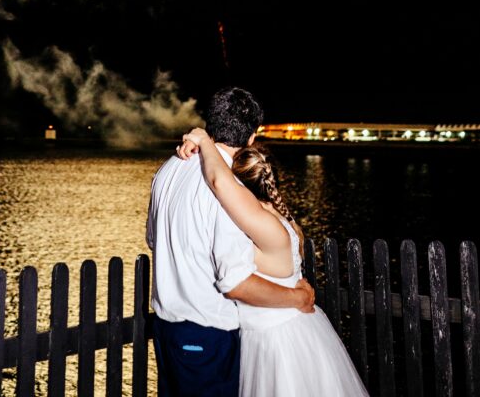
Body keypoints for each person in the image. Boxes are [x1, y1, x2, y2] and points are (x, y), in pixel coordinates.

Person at [145, 86, 315, 397]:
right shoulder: (229, 191)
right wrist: (298, 298)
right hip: (206, 333)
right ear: (252, 138)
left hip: (165, 329)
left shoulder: (166, 171)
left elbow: (153, 239)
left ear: (209, 125)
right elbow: (235, 282)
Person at [178, 125, 371, 397]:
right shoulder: (278, 216)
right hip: (290, 329)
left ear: (241, 186)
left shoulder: (262, 223)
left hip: (277, 340)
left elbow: (221, 182)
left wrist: (204, 141)